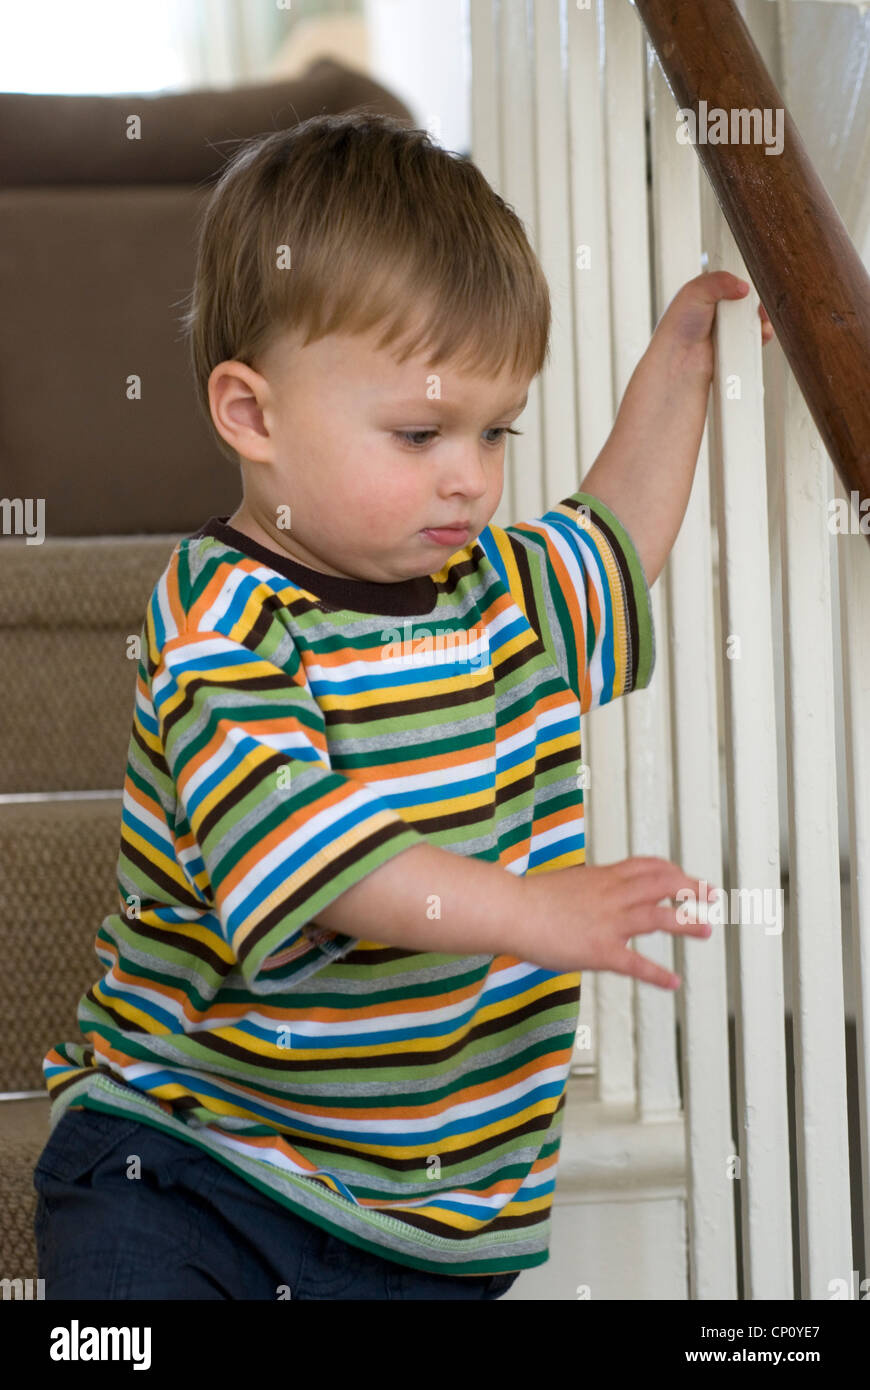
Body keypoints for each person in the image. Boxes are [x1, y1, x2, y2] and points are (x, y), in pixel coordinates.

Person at [35, 111, 773, 1301]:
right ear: (253, 415)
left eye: (495, 431)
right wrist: (530, 910)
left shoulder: (502, 593)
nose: (471, 475)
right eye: (422, 432)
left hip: (426, 1211)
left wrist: (684, 357)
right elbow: (317, 860)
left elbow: (619, 536)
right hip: (189, 1153)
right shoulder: (222, 618)